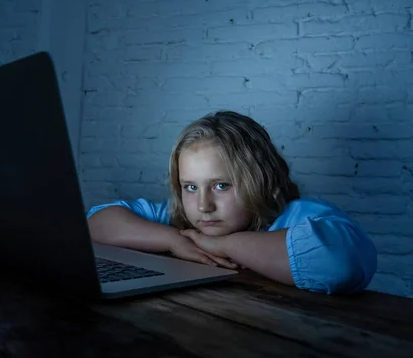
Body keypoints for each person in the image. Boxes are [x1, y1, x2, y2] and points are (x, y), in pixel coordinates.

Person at [86, 110, 377, 294]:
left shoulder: (299, 217)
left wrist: (222, 244)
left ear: (260, 179)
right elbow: (95, 223)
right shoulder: (178, 220)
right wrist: (173, 239)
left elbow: (340, 262)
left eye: (221, 185)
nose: (203, 205)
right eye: (190, 187)